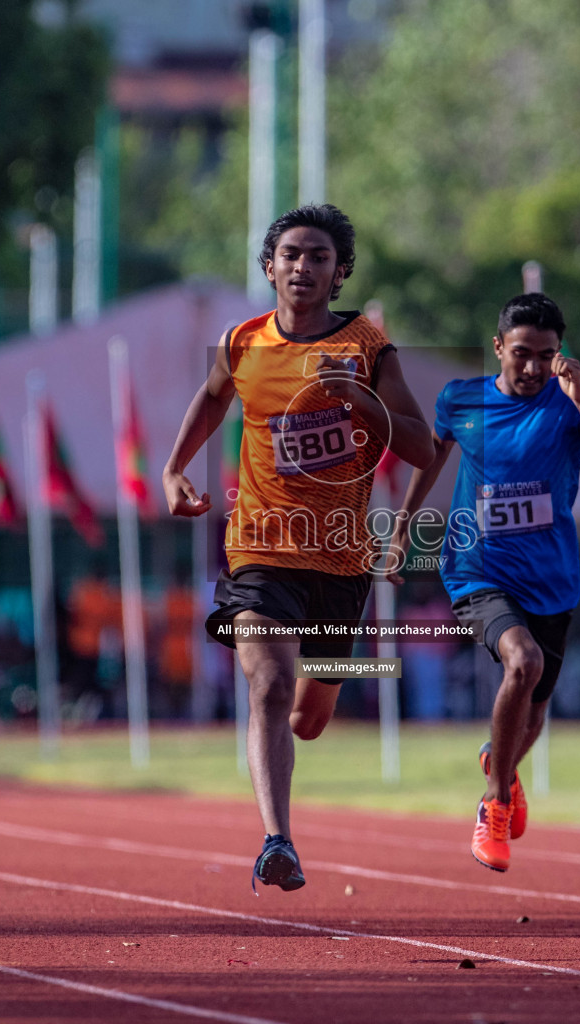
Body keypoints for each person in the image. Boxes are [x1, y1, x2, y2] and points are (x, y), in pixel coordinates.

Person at [162, 204, 435, 891]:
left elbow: (422, 446)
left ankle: (293, 734)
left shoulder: (371, 347)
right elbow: (212, 397)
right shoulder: (242, 342)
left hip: (340, 560)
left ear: (339, 273)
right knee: (270, 682)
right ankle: (276, 840)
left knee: (309, 716)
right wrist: (173, 469)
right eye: (291, 255)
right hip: (259, 548)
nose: (303, 267)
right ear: (268, 267)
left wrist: (361, 402)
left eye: (318, 257)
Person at [387, 293, 580, 872]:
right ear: (497, 347)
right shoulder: (461, 399)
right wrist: (402, 531)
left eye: (546, 356)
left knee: (536, 714)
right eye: (521, 354)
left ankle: (499, 760)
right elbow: (431, 459)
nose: (532, 368)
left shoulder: (578, 397)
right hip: (477, 568)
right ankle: (494, 804)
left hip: (551, 577)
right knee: (523, 663)